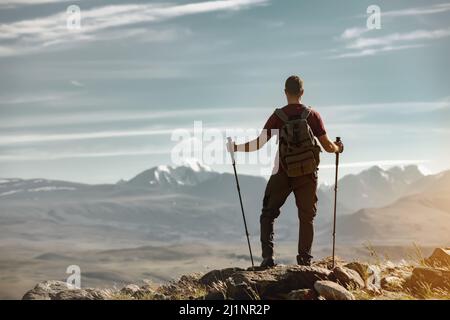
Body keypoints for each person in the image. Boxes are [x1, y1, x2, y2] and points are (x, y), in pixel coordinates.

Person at [227, 75, 344, 267]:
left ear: (285, 92)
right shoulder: (312, 115)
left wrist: (236, 148)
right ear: (302, 92)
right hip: (307, 174)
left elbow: (259, 143)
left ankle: (268, 258)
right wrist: (339, 147)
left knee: (268, 213)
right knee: (306, 216)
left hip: (282, 172)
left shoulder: (278, 116)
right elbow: (328, 146)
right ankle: (304, 260)